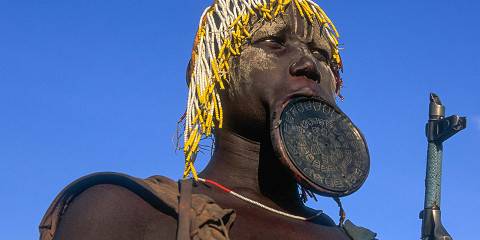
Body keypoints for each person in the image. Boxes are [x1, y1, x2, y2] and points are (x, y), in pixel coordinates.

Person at [40, 1, 376, 239]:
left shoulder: (353, 237)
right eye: (273, 42)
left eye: (322, 55)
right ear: (207, 77)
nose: (308, 64)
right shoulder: (128, 211)